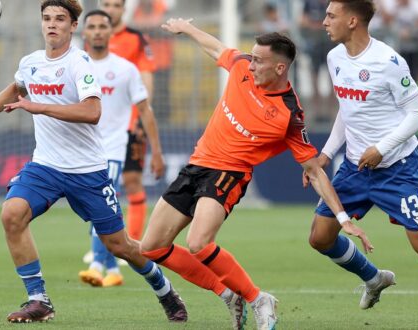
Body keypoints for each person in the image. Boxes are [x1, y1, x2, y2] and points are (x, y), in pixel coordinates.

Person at [139, 18, 372, 330]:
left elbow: (314, 170)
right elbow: (218, 48)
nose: (251, 66)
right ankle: (227, 293)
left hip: (228, 173)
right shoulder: (242, 67)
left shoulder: (289, 114)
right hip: (197, 164)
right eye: (251, 58)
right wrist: (188, 29)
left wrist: (343, 219)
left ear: (279, 68)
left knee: (199, 242)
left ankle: (258, 299)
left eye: (259, 61)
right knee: (152, 247)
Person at [0, 0, 185, 323]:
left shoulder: (80, 64)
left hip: (87, 171)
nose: (51, 24)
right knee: (12, 214)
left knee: (120, 245)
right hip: (46, 166)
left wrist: (39, 107)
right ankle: (38, 299)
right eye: (46, 18)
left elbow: (92, 111)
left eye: (59, 19)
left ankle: (164, 288)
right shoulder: (30, 62)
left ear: (73, 27)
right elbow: (17, 87)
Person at [309, 1, 418, 329]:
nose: (324, 22)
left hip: (397, 168)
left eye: (331, 16)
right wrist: (327, 152)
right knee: (320, 238)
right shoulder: (334, 57)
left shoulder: (388, 61)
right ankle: (374, 278)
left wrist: (382, 147)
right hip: (354, 167)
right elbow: (346, 111)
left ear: (352, 20)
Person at [77, 9, 165, 288]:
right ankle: (114, 268)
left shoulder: (126, 69)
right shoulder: (76, 65)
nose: (99, 31)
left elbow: (146, 110)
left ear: (110, 31)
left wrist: (157, 151)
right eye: (93, 26)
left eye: (104, 26)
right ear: (85, 32)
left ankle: (97, 264)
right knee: (95, 209)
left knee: (103, 202)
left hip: (113, 149)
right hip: (82, 151)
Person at [100, 0, 156, 245]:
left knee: (132, 180)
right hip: (97, 125)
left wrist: (141, 119)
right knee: (98, 184)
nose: (110, 9)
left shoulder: (136, 39)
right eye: (106, 4)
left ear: (123, 9)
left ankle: (132, 243)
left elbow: (146, 81)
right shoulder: (93, 38)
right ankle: (102, 245)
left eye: (115, 5)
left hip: (129, 123)